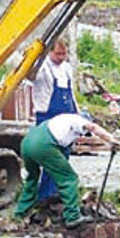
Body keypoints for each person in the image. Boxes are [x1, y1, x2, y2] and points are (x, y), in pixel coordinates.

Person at [14, 112, 120, 228]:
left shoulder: (60, 121)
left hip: (26, 143)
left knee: (32, 179)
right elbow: (93, 127)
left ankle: (20, 214)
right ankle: (72, 216)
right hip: (43, 145)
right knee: (69, 178)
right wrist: (111, 140)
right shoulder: (78, 120)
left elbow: (63, 148)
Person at [29, 39, 79, 200]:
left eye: (64, 54)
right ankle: (45, 194)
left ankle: (58, 191)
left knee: (63, 157)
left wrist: (77, 113)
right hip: (47, 115)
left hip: (66, 116)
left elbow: (71, 93)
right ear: (49, 52)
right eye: (58, 54)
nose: (62, 57)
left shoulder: (67, 69)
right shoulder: (42, 68)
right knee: (50, 157)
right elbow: (29, 75)